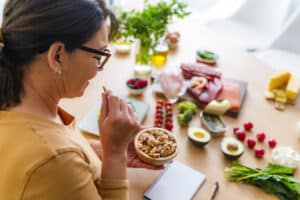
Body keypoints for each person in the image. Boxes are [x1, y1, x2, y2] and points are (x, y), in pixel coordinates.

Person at [0, 0, 159, 199]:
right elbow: (56, 161)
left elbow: (61, 147)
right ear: (58, 56)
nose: (99, 69)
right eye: (98, 56)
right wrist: (115, 154)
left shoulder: (23, 100)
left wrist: (102, 150)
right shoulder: (53, 161)